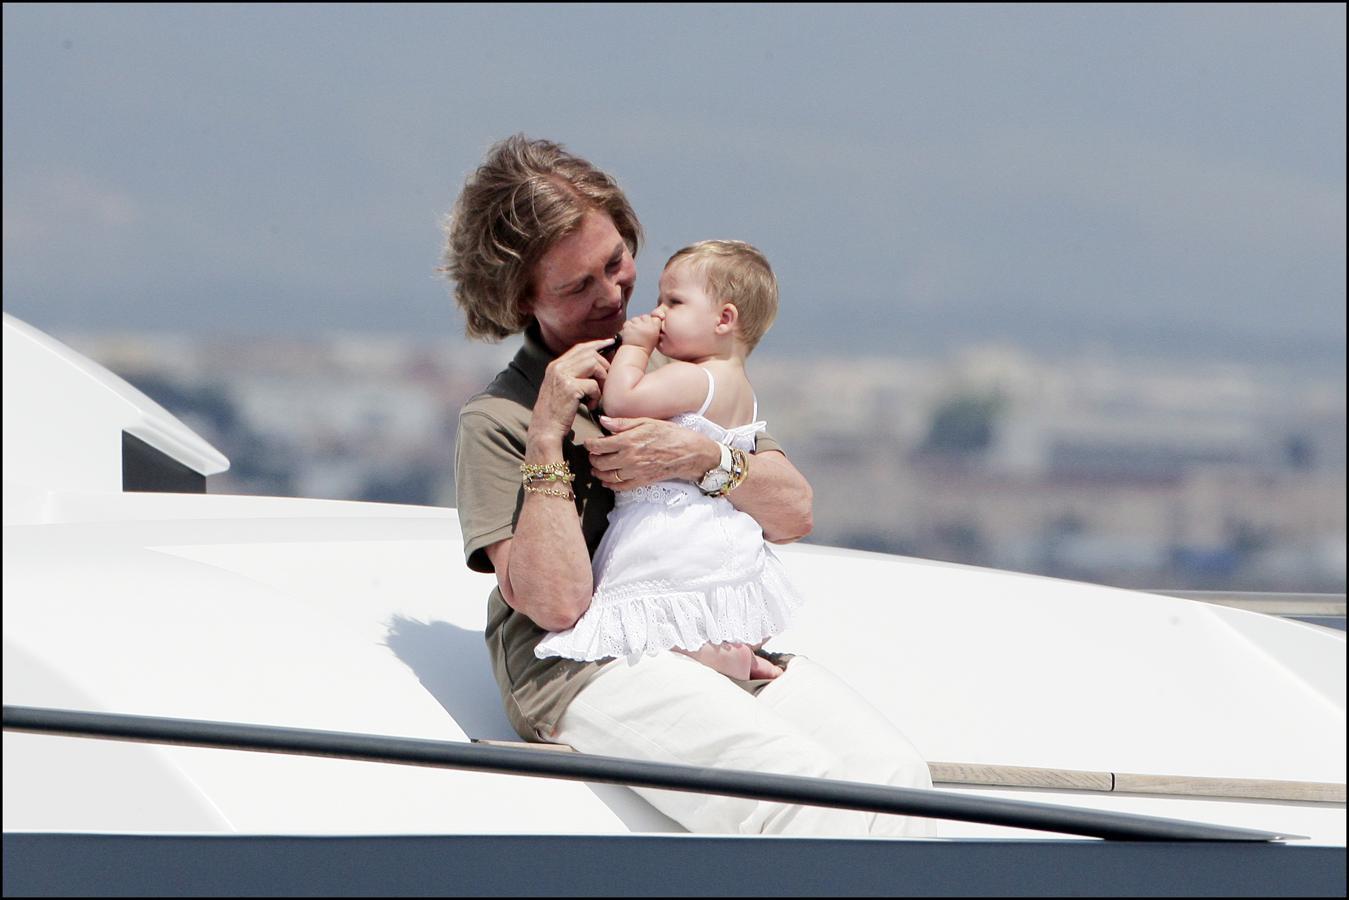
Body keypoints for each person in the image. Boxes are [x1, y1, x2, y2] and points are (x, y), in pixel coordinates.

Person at [444, 134, 933, 836]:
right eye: (577, 286)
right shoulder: (500, 418)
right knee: (794, 798)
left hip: (706, 634)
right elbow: (555, 605)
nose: (613, 294)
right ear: (520, 300)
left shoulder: (674, 368)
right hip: (581, 665)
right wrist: (548, 435)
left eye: (616, 263)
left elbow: (792, 511)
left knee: (895, 780)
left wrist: (698, 458)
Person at [534, 240, 803, 682]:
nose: (657, 314)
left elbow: (622, 402)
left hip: (672, 529)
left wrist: (634, 349)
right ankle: (739, 650)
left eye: (673, 302)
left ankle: (723, 658)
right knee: (702, 608)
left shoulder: (694, 376)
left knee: (658, 622)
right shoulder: (739, 386)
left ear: (724, 319)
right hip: (719, 532)